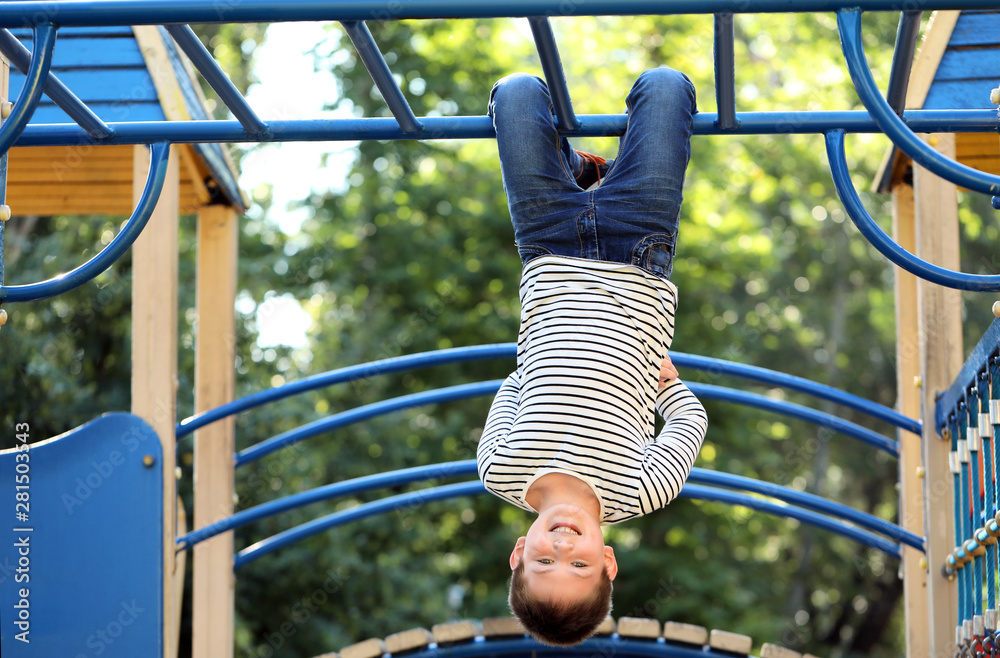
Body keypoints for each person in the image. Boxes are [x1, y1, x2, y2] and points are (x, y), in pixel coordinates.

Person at [476, 67, 709, 647]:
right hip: (640, 249)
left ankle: (581, 176)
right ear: (607, 560)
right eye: (579, 566)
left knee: (518, 93)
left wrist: (539, 360)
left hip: (548, 247)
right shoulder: (637, 490)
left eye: (543, 563)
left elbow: (509, 393)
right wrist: (667, 383)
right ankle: (591, 178)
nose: (561, 549)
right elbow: (689, 424)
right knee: (665, 88)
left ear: (517, 553)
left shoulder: (499, 471)